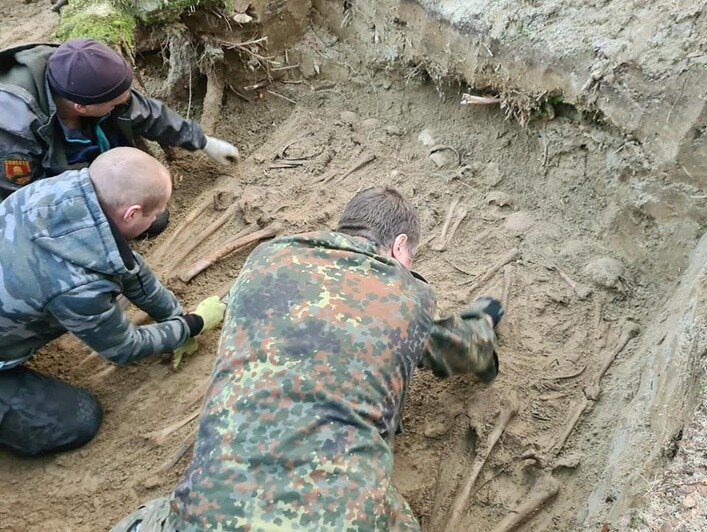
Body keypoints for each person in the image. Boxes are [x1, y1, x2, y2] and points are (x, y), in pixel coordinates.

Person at [112, 187, 503, 531]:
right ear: (400, 246)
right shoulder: (408, 292)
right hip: (343, 519)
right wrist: (482, 324)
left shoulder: (267, 258)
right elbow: (451, 348)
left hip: (214, 513)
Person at [0, 147, 226, 456]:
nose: (160, 215)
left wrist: (172, 312)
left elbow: (124, 265)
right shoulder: (79, 287)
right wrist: (192, 325)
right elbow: (125, 347)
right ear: (131, 213)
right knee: (79, 419)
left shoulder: (59, 188)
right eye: (153, 211)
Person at [0, 38, 240, 234]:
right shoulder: (14, 132)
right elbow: (25, 201)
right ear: (80, 107)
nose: (123, 104)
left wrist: (203, 141)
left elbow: (145, 113)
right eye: (114, 103)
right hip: (40, 189)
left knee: (153, 219)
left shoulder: (82, 75)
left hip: (89, 165)